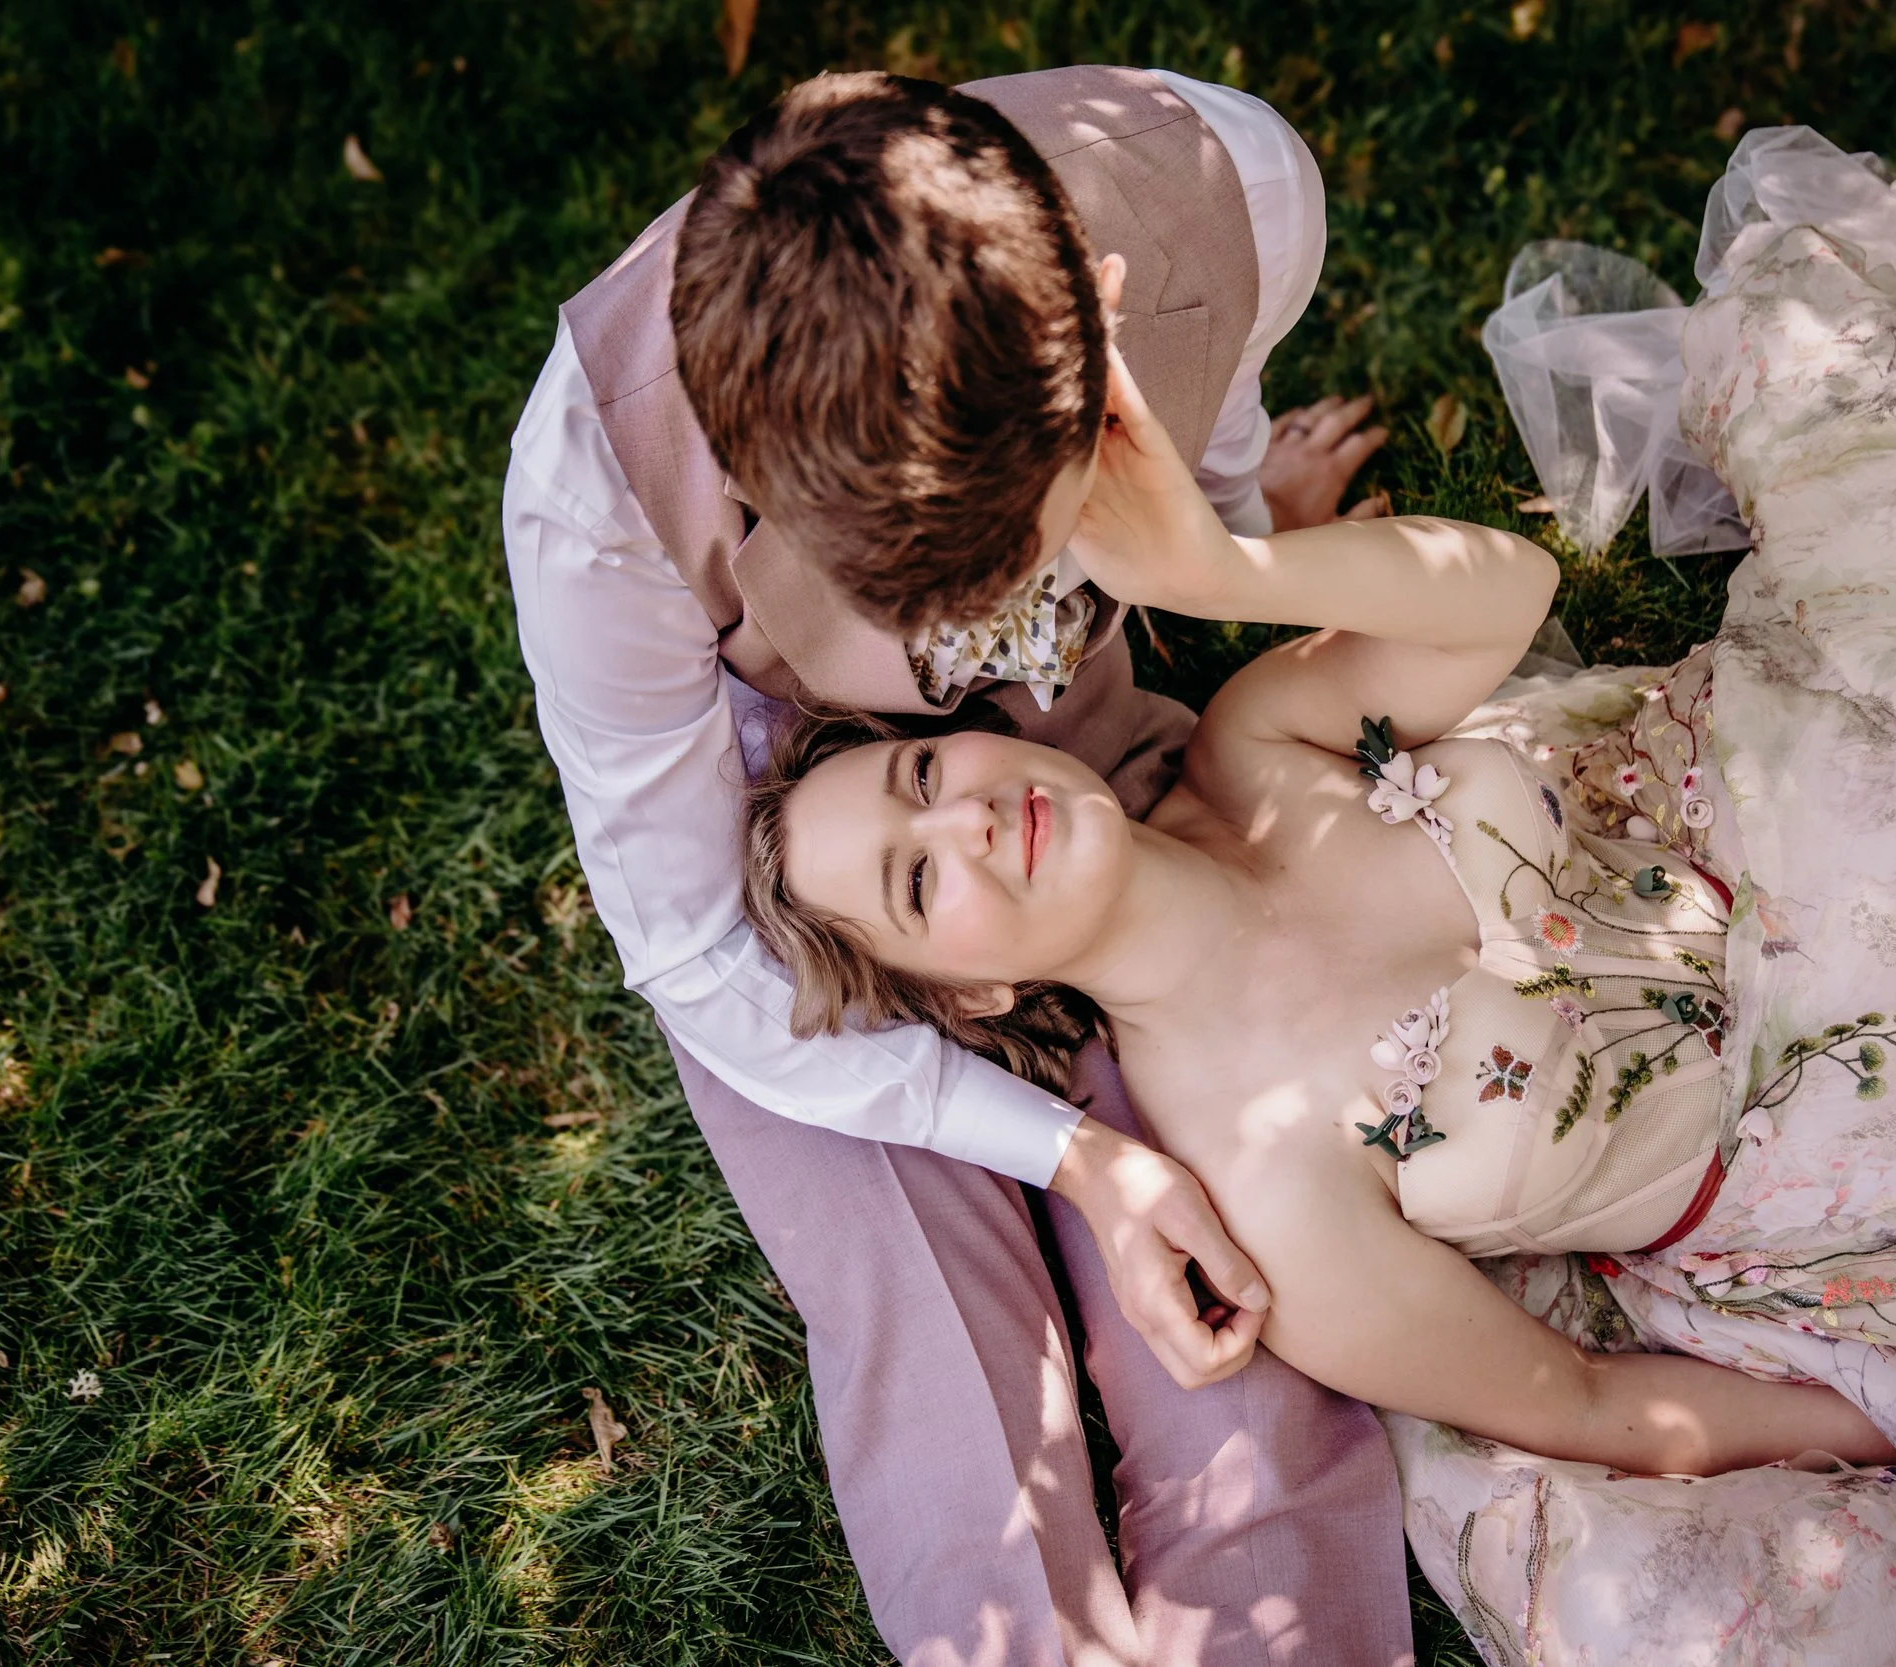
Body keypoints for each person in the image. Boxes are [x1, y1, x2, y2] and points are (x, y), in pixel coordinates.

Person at [742, 129, 1896, 1663]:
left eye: (919, 780)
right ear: (963, 997)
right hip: (1895, 1130)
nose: (966, 822)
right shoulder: (1275, 1195)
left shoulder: (1265, 742)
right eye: (915, 882)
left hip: (1863, 789)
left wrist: (1225, 575)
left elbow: (1508, 593)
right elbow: (1584, 1398)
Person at [503, 67, 1409, 1667]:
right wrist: (1075, 1160)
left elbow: (1212, 442)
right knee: (899, 1242)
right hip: (780, 788)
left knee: (1230, 1180)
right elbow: (711, 954)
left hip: (1070, 719)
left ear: (1098, 318)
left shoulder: (1240, 191)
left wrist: (1243, 528)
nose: (946, 649)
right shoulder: (601, 505)